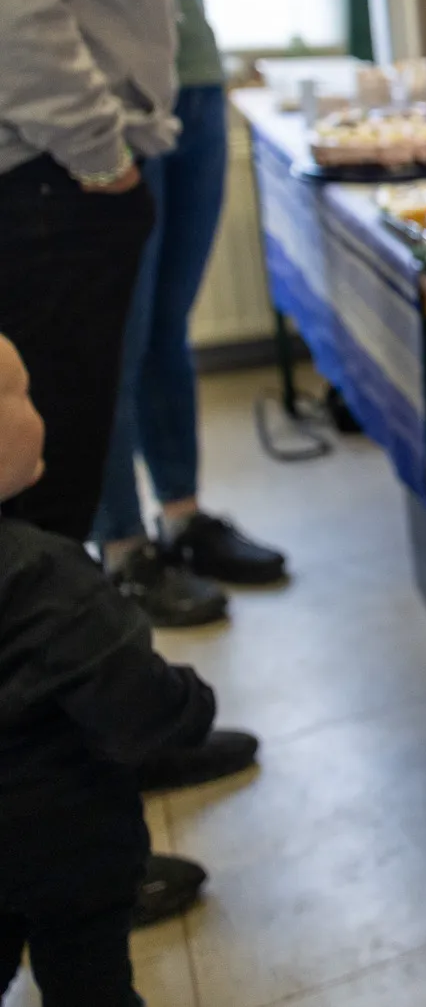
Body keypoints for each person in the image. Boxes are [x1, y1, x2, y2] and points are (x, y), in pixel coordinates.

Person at [82, 0, 288, 628]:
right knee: (113, 336)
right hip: (118, 104)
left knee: (166, 324)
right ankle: (120, 548)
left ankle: (181, 515)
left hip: (196, 91)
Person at [0, 0, 175, 545]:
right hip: (48, 182)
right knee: (47, 497)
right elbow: (13, 1)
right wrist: (100, 158)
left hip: (39, 175)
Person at [0, 332, 218, 1005]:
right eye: (22, 395)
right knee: (90, 985)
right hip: (64, 847)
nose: (41, 412)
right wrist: (191, 703)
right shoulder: (46, 575)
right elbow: (133, 708)